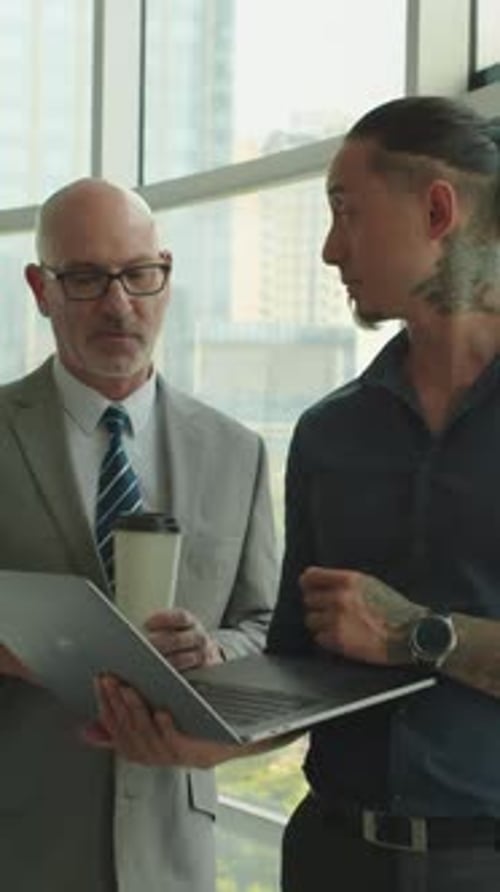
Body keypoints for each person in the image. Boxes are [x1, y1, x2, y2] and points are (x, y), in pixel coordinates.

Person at [0, 177, 277, 892]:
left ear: (166, 277)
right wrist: (30, 650)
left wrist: (215, 649)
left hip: (172, 846)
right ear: (40, 288)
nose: (118, 304)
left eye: (138, 275)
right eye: (87, 278)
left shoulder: (236, 450)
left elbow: (267, 625)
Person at [264, 96, 500, 891]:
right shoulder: (328, 434)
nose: (331, 249)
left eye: (347, 211)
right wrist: (199, 719)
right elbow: (297, 662)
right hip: (330, 856)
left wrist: (418, 634)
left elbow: (393, 633)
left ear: (437, 209)